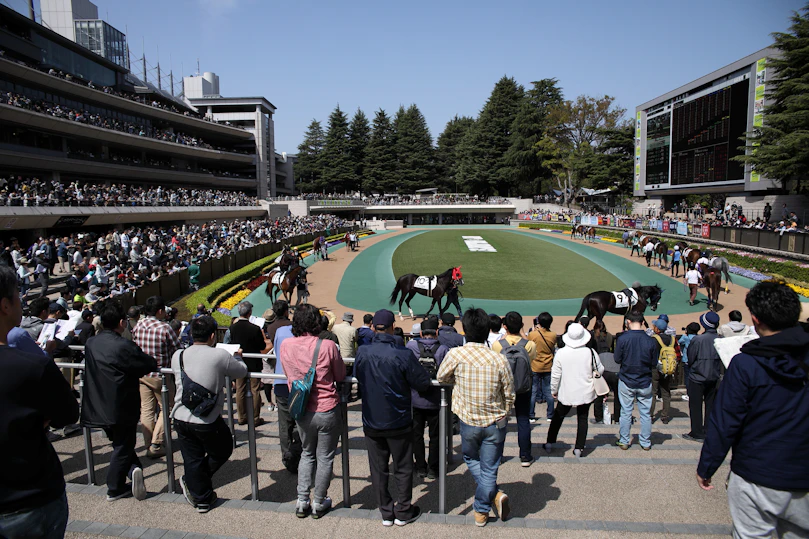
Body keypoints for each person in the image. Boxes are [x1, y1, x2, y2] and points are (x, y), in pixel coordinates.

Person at [696, 282, 809, 537]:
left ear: (755, 319)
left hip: (756, 474)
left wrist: (707, 467)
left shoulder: (745, 364)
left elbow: (725, 422)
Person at [0, 265, 79, 539]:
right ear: (5, 306)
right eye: (17, 297)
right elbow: (68, 414)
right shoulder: (32, 366)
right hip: (29, 500)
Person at [437, 308, 515, 527]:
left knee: (471, 458)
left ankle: (486, 505)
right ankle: (489, 501)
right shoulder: (498, 358)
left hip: (469, 419)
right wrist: (505, 412)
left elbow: (441, 376)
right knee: (490, 467)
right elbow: (509, 392)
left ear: (465, 330)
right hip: (495, 421)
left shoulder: (456, 354)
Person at [355, 309, 431, 526]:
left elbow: (358, 377)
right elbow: (422, 383)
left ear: (373, 327)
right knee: (403, 467)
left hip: (372, 419)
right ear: (391, 327)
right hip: (398, 420)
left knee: (379, 469)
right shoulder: (403, 353)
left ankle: (387, 512)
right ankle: (404, 510)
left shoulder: (363, 351)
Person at [171, 316, 248, 513]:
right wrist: (237, 356)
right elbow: (241, 371)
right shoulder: (219, 355)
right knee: (223, 449)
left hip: (179, 415)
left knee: (192, 458)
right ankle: (197, 487)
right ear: (213, 336)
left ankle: (202, 496)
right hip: (205, 418)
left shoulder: (178, 355)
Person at [82, 301, 157, 501]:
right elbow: (147, 364)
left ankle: (134, 470)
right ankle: (114, 487)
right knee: (124, 445)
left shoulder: (91, 342)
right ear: (122, 323)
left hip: (96, 403)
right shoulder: (123, 345)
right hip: (119, 405)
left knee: (119, 444)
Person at [279, 304, 346, 519]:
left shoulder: (286, 344)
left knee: (307, 453)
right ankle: (318, 501)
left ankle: (302, 500)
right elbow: (340, 375)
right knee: (325, 457)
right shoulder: (326, 345)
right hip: (326, 407)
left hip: (301, 408)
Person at [132, 296, 181, 459]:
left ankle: (149, 442)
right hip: (161, 374)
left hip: (142, 373)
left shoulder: (138, 324)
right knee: (168, 407)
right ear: (160, 311)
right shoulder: (164, 328)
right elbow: (177, 348)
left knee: (146, 409)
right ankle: (156, 443)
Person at [543, 323, 603, 458]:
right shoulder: (590, 352)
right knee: (583, 418)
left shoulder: (561, 353)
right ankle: (579, 448)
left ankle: (550, 442)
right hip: (585, 389)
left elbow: (555, 374)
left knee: (558, 417)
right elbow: (600, 369)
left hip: (567, 389)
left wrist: (553, 389)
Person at [404, 317, 448, 480]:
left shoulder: (411, 346)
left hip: (416, 398)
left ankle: (420, 467)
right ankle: (433, 468)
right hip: (436, 399)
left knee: (416, 435)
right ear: (436, 332)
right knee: (435, 436)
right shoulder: (442, 349)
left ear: (421, 333)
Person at [492, 311, 536, 466]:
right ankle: (525, 456)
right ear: (521, 325)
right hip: (523, 386)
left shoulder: (498, 345)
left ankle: (497, 455)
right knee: (523, 420)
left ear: (505, 326)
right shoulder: (529, 344)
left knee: (501, 421)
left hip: (504, 387)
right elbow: (532, 357)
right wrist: (524, 335)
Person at [614, 311, 658, 450]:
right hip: (644, 380)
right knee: (645, 413)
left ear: (628, 322)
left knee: (626, 411)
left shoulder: (623, 339)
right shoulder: (651, 340)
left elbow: (617, 359)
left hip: (627, 379)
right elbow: (654, 363)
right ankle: (645, 442)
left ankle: (624, 440)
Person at [229, 301, 270, 427]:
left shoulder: (232, 328)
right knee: (255, 390)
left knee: (240, 390)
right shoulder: (255, 328)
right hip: (253, 363)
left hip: (239, 362)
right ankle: (255, 417)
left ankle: (242, 417)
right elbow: (262, 346)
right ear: (249, 313)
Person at [683, 312, 723, 442]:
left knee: (695, 405)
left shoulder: (698, 340)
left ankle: (697, 432)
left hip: (697, 376)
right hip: (714, 375)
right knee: (710, 405)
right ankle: (708, 430)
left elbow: (690, 357)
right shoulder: (720, 339)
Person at [527, 312, 556, 424]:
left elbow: (529, 345)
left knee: (533, 391)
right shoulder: (553, 335)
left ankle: (531, 415)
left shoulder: (533, 334)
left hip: (535, 365)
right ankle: (550, 415)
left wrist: (535, 329)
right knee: (548, 391)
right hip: (548, 365)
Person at [649, 319, 679, 424]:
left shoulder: (653, 339)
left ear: (656, 328)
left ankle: (650, 415)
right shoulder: (672, 339)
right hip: (668, 368)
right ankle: (665, 416)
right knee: (666, 392)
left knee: (653, 392)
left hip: (655, 368)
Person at [678, 322, 700, 402]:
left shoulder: (685, 338)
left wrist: (685, 335)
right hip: (696, 361)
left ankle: (689, 394)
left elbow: (679, 342)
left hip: (687, 361)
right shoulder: (698, 338)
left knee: (688, 378)